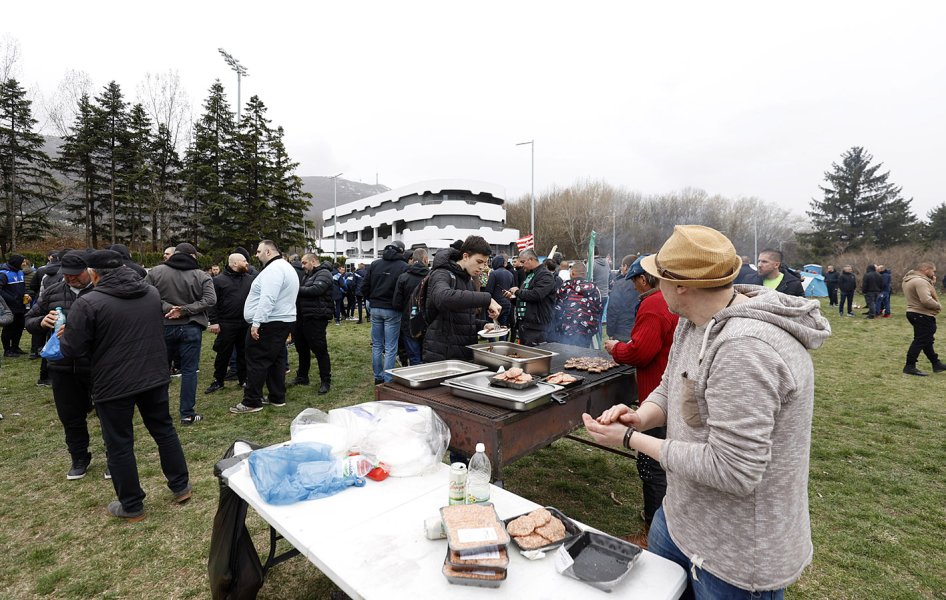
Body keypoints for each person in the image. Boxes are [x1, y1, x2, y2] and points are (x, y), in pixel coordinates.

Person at [583, 225, 830, 598]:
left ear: (681, 285)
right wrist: (643, 416)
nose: (653, 283)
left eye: (660, 277)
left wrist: (632, 439)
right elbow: (671, 387)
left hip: (735, 552)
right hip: (679, 518)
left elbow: (733, 469)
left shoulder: (745, 350)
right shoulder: (693, 320)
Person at [60, 250, 191, 521]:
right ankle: (181, 485)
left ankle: (132, 505)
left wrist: (67, 333)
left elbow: (72, 349)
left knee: (119, 443)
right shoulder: (151, 294)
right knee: (164, 430)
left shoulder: (90, 303)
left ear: (94, 274)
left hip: (114, 381)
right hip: (152, 374)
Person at [603, 254, 678, 543]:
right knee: (665, 460)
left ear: (644, 279)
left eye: (634, 282)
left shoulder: (653, 304)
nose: (633, 287)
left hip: (657, 392)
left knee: (652, 464)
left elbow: (640, 352)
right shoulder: (667, 302)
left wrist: (618, 348)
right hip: (669, 389)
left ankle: (653, 531)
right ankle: (664, 518)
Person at [24, 250, 99, 480]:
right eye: (66, 275)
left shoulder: (101, 292)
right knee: (70, 414)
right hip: (62, 365)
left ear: (88, 271)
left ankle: (114, 456)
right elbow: (29, 321)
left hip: (96, 363)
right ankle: (78, 457)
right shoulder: (54, 292)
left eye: (76, 275)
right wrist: (41, 322)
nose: (71, 279)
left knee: (108, 413)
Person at [145, 242, 216, 425]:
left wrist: (172, 308)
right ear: (193, 256)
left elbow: (146, 294)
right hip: (191, 327)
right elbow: (210, 300)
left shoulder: (155, 272)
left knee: (161, 371)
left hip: (164, 326)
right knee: (189, 371)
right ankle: (187, 413)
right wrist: (184, 310)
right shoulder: (201, 275)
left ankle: (157, 413)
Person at [230, 240, 299, 414]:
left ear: (268, 252)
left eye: (259, 251)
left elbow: (268, 297)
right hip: (281, 319)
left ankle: (252, 400)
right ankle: (277, 396)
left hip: (270, 321)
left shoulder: (274, 270)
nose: (256, 254)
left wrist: (257, 322)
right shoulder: (286, 267)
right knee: (276, 359)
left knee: (256, 360)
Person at [423, 236, 501, 362]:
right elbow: (443, 298)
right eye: (479, 261)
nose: (482, 267)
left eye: (485, 263)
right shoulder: (442, 273)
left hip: (463, 354)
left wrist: (483, 325)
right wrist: (487, 299)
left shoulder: (467, 280)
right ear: (465, 256)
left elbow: (462, 319)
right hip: (443, 356)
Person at [205, 253, 255, 394]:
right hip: (226, 323)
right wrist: (214, 322)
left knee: (243, 353)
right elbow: (212, 303)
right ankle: (219, 380)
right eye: (244, 261)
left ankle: (243, 379)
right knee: (223, 353)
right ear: (234, 263)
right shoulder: (219, 281)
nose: (247, 263)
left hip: (245, 323)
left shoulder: (250, 279)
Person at [361, 241, 409, 384]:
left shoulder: (375, 264)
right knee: (390, 347)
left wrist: (371, 299)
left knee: (377, 345)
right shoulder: (403, 267)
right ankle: (387, 379)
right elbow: (404, 291)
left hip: (376, 308)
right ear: (401, 251)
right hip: (392, 310)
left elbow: (364, 286)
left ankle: (378, 377)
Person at [292, 254, 334, 393]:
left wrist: (294, 289)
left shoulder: (324, 273)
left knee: (320, 351)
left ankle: (325, 381)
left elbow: (316, 290)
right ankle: (302, 376)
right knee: (302, 349)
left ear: (313, 261)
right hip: (303, 317)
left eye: (304, 263)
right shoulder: (307, 275)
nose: (302, 266)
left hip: (316, 318)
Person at [902, 262, 946, 376]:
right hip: (922, 314)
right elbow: (926, 300)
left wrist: (931, 282)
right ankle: (909, 366)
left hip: (914, 312)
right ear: (926, 269)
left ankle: (936, 364)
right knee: (921, 340)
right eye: (933, 271)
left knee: (927, 340)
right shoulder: (921, 281)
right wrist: (938, 306)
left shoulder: (910, 279)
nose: (934, 273)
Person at [504, 249, 556, 346]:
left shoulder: (545, 275)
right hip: (525, 325)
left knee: (535, 358)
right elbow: (526, 299)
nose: (521, 265)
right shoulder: (529, 275)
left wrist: (517, 291)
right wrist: (512, 298)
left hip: (537, 327)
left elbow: (536, 295)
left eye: (523, 262)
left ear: (531, 259)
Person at [393, 248, 430, 365]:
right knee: (427, 356)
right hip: (427, 320)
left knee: (414, 357)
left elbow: (396, 303)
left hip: (409, 320)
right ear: (426, 260)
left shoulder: (403, 277)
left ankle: (417, 379)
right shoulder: (433, 277)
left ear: (413, 260)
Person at [552, 261, 602, 347]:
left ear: (573, 273)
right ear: (585, 274)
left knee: (568, 356)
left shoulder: (564, 287)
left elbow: (557, 308)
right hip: (587, 329)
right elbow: (599, 308)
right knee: (583, 355)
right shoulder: (595, 288)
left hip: (568, 329)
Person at [0, 254, 30, 357]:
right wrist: (12, 299)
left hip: (21, 306)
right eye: (22, 262)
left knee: (19, 326)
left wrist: (26, 293)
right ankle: (7, 350)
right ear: (17, 263)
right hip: (9, 306)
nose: (24, 264)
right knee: (9, 328)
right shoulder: (4, 274)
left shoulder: (20, 272)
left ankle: (15, 347)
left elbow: (23, 287)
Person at [606, 254, 640, 342]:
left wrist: (610, 332)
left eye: (622, 266)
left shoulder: (620, 285)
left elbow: (613, 309)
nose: (621, 268)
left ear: (625, 267)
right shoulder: (645, 284)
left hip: (622, 333)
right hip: (639, 331)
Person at [484, 254, 514, 330]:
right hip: (507, 303)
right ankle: (503, 341)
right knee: (503, 326)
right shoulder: (510, 274)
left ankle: (493, 341)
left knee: (492, 326)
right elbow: (511, 289)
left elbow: (488, 290)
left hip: (495, 304)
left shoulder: (493, 273)